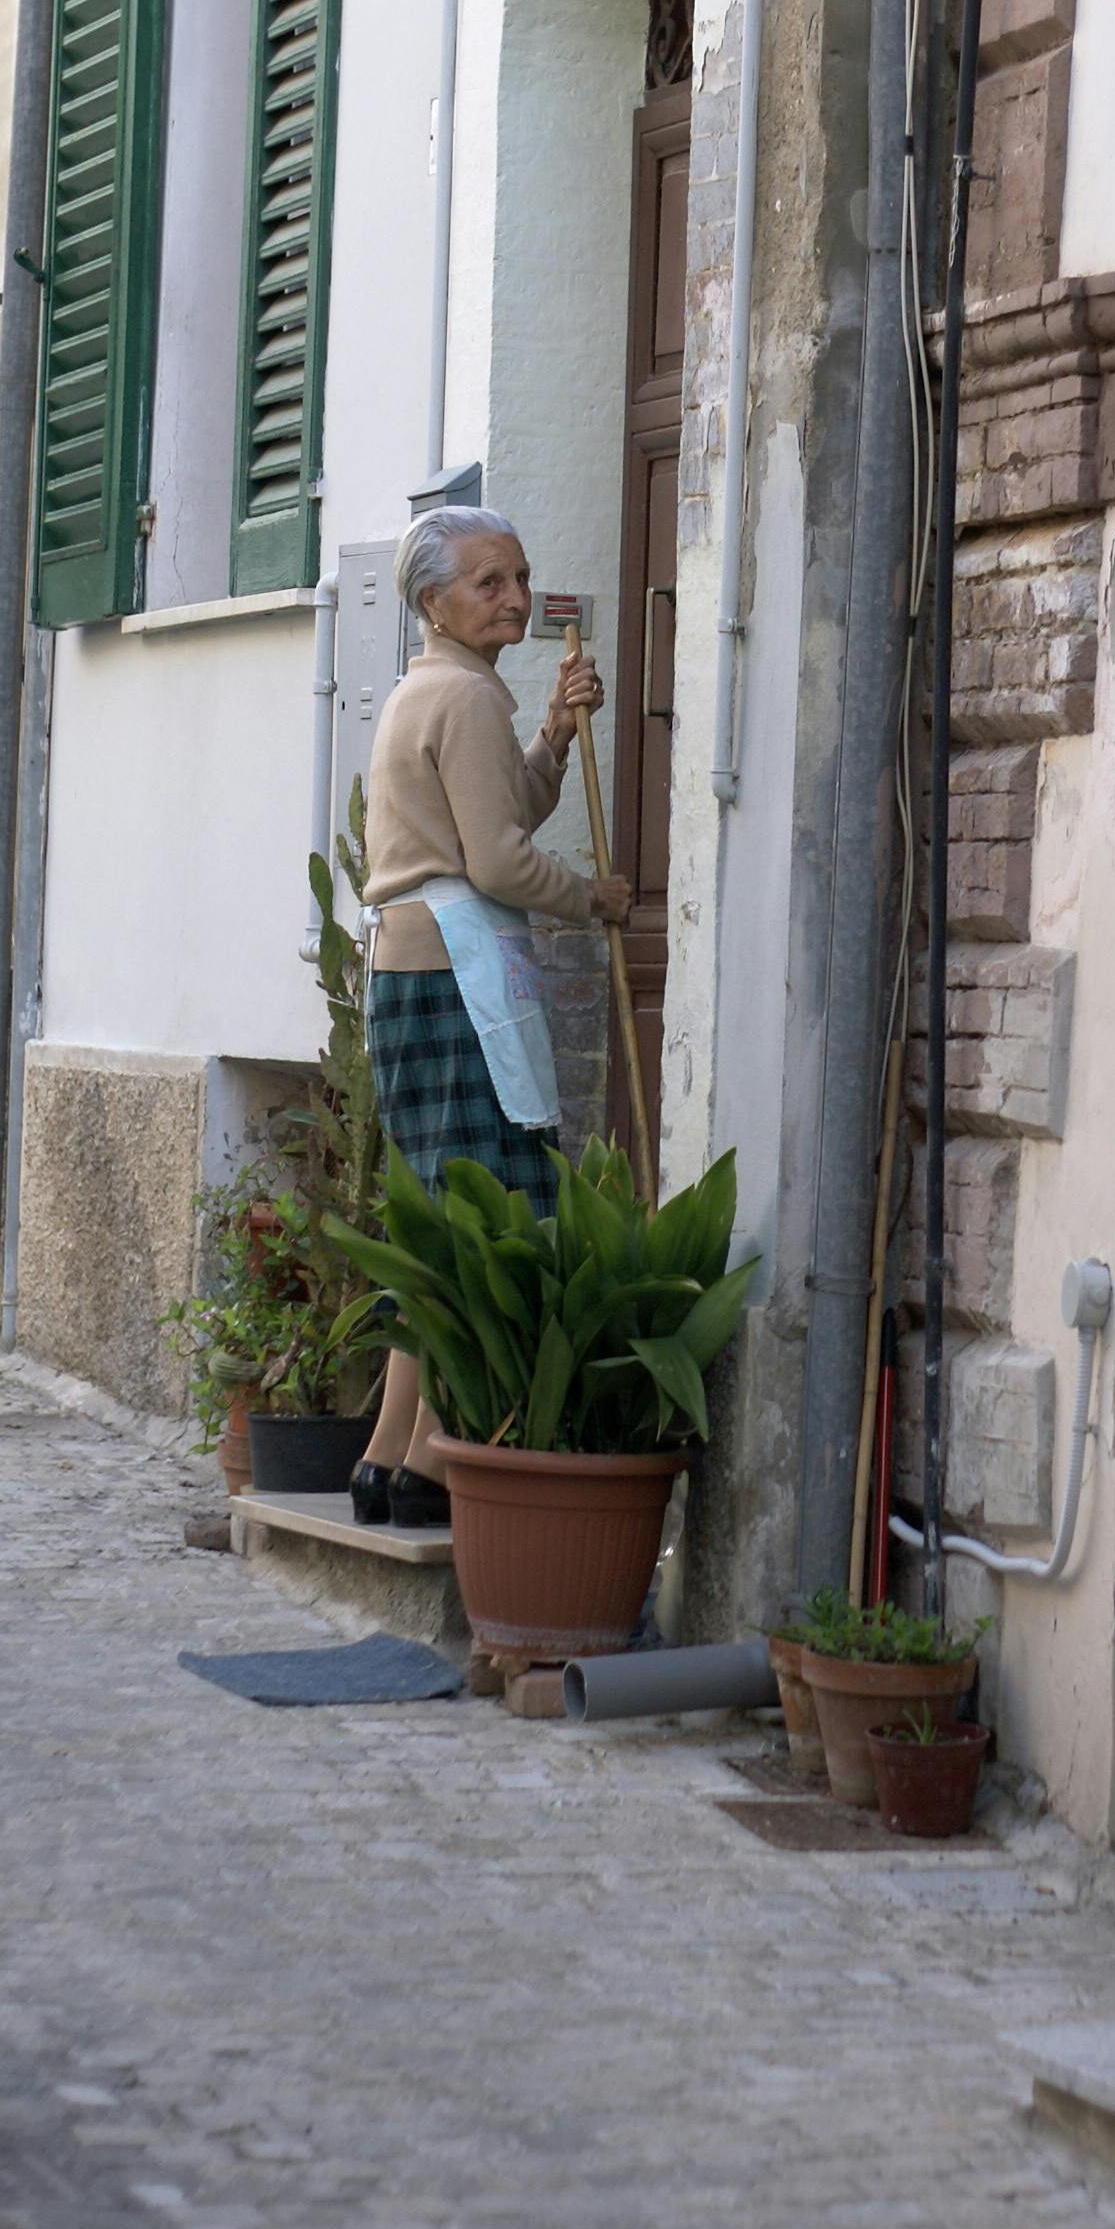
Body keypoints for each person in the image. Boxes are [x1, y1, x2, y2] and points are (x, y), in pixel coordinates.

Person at [346, 505, 631, 1527]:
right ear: (433, 602)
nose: (513, 596)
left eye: (518, 576)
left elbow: (503, 812)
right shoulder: (463, 700)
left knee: (434, 1207)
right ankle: (429, 1455)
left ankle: (390, 1454)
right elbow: (500, 862)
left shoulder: (439, 691)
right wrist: (587, 897)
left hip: (411, 968)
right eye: (487, 583)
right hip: (453, 970)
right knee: (480, 1210)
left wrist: (552, 732)